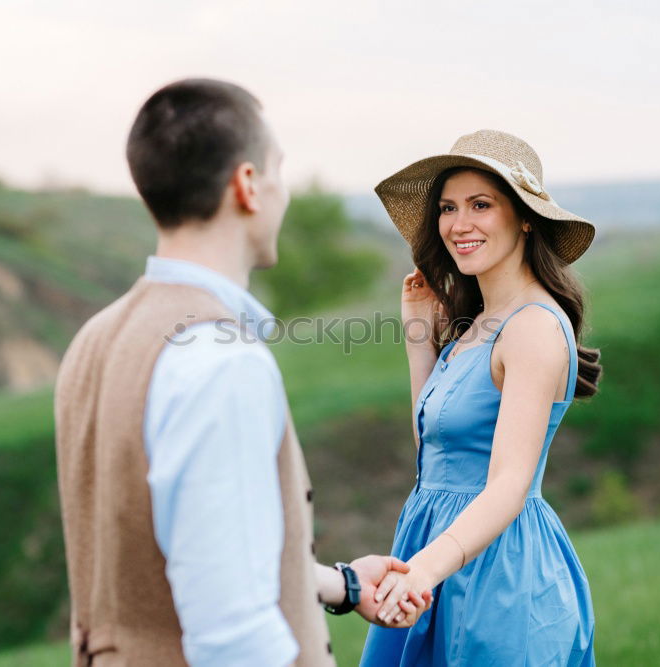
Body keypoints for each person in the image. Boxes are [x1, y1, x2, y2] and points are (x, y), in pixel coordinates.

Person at [53, 78, 431, 667]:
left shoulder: (95, 338)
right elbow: (233, 633)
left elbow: (192, 555)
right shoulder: (219, 359)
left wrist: (344, 585)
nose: (284, 191)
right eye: (277, 169)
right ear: (248, 185)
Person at [358, 129, 602, 665]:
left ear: (526, 217)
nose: (458, 224)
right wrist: (420, 338)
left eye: (480, 205)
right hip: (435, 548)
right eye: (448, 208)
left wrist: (424, 569)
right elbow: (437, 450)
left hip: (495, 570)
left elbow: (508, 485)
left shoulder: (533, 327)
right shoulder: (474, 326)